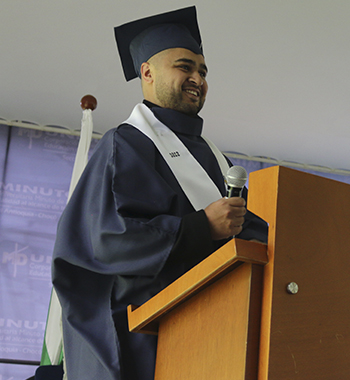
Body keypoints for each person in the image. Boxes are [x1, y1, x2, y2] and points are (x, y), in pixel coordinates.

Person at [50, 6, 267, 380]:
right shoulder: (125, 144)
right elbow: (109, 238)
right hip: (146, 341)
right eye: (184, 67)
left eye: (202, 71)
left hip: (216, 336)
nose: (197, 77)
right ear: (146, 72)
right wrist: (201, 228)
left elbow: (240, 233)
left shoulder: (216, 157)